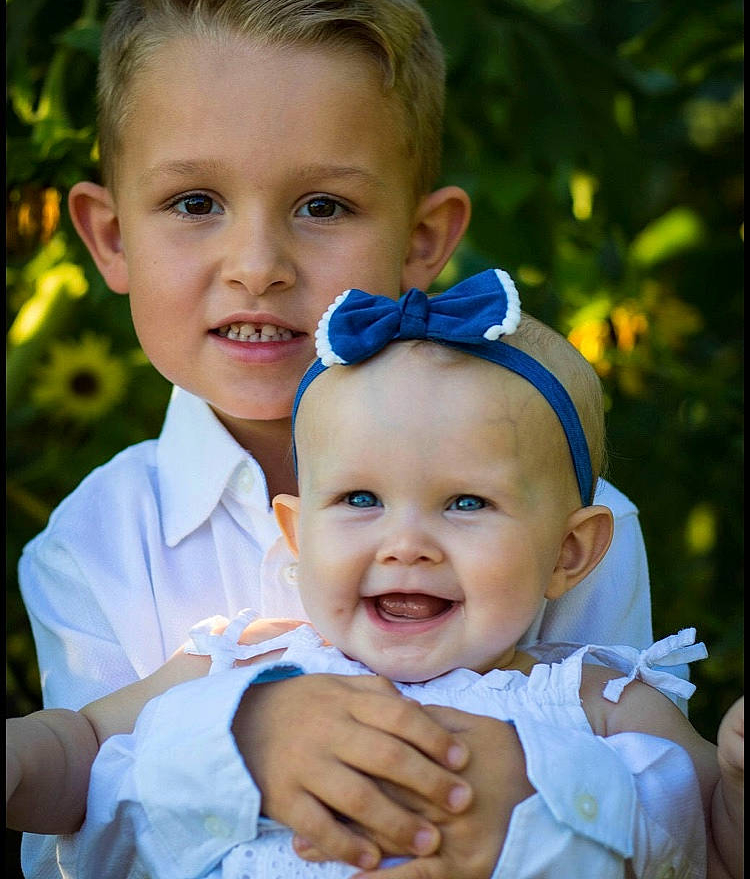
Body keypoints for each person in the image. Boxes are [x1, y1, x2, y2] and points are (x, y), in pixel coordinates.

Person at [15, 0, 675, 876]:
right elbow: (73, 843)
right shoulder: (96, 545)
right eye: (194, 202)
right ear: (110, 236)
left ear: (422, 240)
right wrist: (234, 746)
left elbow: (670, 803)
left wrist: (542, 790)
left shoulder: (572, 514)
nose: (257, 267)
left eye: (323, 205)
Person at [8, 270, 744, 879]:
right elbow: (78, 751)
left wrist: (738, 786)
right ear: (297, 536)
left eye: (466, 502)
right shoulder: (245, 659)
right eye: (360, 499)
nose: (407, 544)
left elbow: (714, 847)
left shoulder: (600, 702)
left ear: (568, 555)